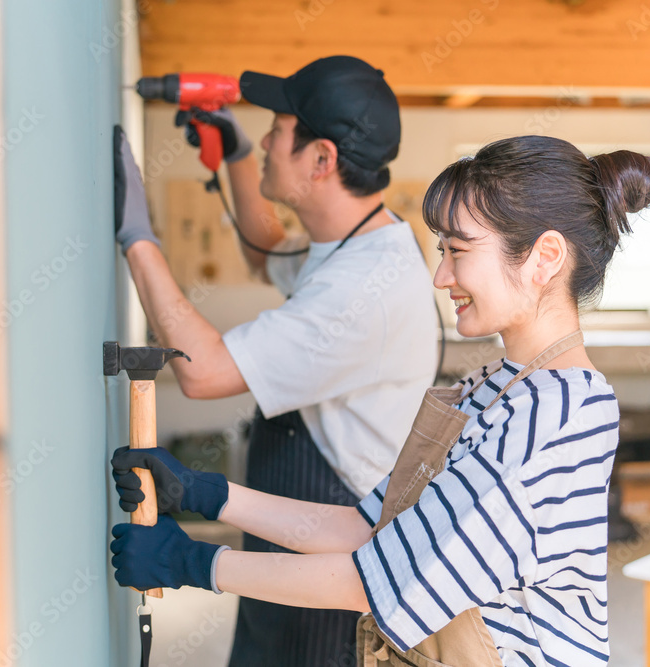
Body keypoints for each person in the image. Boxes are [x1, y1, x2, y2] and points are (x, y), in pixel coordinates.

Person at [111, 135, 650, 666]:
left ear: (544, 257)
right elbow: (366, 528)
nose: (441, 274)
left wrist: (196, 563)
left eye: (458, 250)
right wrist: (209, 493)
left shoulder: (558, 414)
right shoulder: (495, 383)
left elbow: (376, 582)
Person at [113, 55, 438, 665]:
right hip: (296, 528)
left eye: (277, 129)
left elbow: (202, 371)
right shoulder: (360, 242)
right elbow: (268, 255)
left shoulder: (362, 292)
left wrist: (139, 239)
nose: (265, 139)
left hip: (333, 547)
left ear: (321, 161)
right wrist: (237, 156)